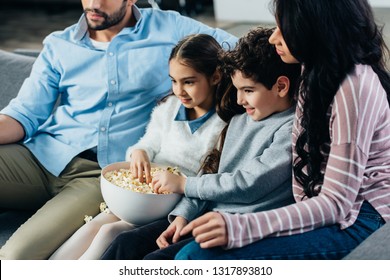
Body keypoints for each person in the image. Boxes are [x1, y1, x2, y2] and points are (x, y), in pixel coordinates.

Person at [0, 0, 237, 260]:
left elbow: (245, 52)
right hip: (41, 156)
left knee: (14, 258)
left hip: (101, 176)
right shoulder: (59, 44)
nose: (93, 4)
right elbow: (23, 114)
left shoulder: (170, 28)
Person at [175, 0, 390, 260]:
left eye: (283, 28)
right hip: (322, 206)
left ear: (313, 29)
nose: (274, 37)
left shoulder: (353, 88)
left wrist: (243, 226)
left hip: (361, 218)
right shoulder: (314, 73)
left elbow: (336, 204)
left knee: (196, 258)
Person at [101, 26, 301, 260]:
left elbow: (248, 183)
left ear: (281, 86)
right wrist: (182, 216)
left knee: (155, 260)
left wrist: (184, 184)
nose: (239, 99)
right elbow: (210, 172)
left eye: (247, 90)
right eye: (237, 89)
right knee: (126, 242)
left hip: (238, 227)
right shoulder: (240, 119)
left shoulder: (290, 130)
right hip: (206, 214)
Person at [49, 34, 228, 259]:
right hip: (143, 194)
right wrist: (139, 153)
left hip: (176, 201)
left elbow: (208, 180)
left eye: (189, 82)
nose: (179, 90)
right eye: (173, 81)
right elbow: (147, 143)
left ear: (215, 76)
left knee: (110, 230)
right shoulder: (169, 108)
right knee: (95, 224)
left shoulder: (224, 125)